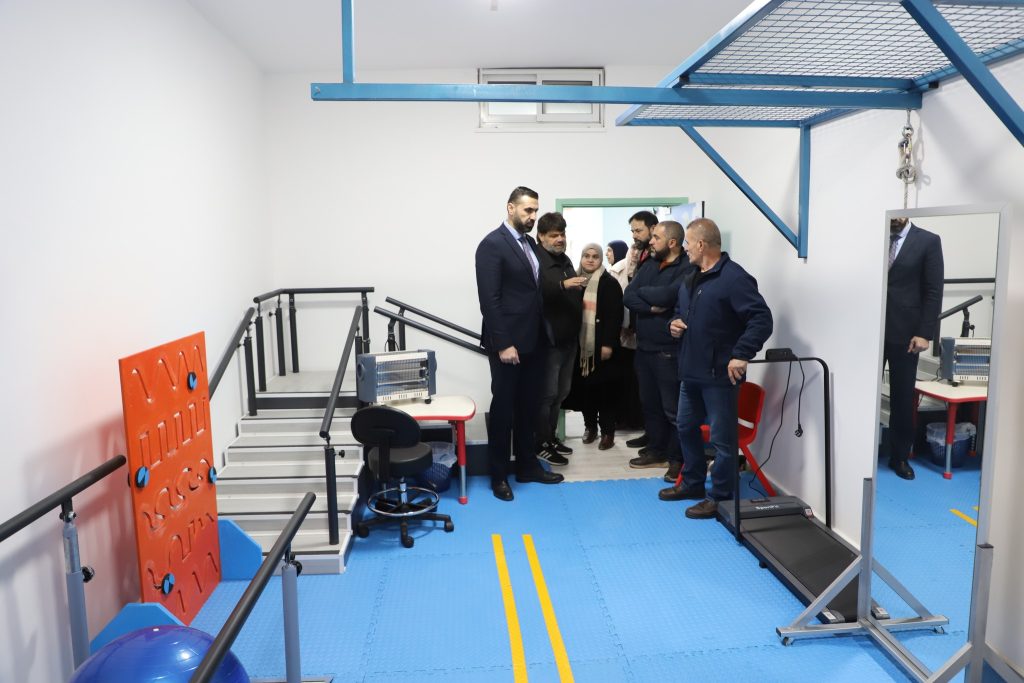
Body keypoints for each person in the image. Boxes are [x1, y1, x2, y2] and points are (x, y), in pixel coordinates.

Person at [667, 218, 773, 518]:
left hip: (720, 376)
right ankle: (692, 483)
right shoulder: (691, 277)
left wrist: (742, 354)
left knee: (722, 441)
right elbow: (680, 311)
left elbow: (761, 319)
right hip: (691, 371)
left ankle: (720, 497)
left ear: (701, 244)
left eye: (688, 243)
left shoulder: (734, 278)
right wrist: (673, 323)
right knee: (685, 427)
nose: (685, 248)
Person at [475, 186, 565, 501]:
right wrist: (503, 343)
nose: (532, 216)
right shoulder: (492, 245)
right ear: (510, 208)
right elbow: (490, 299)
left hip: (534, 340)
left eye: (535, 210)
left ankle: (527, 466)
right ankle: (498, 475)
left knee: (529, 406)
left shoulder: (529, 245)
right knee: (504, 409)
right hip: (508, 343)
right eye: (528, 210)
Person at [622, 220, 695, 484]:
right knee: (650, 404)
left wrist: (646, 295)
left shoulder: (688, 267)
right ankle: (657, 450)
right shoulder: (651, 264)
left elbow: (668, 296)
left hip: (669, 351)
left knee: (672, 410)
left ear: (672, 243)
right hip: (644, 349)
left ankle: (677, 460)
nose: (651, 242)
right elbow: (628, 295)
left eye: (656, 238)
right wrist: (650, 304)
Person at [884, 217, 944, 480]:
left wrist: (925, 333)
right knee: (862, 392)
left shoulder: (928, 241)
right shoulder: (874, 236)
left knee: (902, 397)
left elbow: (933, 290)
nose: (895, 219)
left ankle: (899, 457)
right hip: (870, 330)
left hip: (907, 333)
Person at [534, 211, 587, 466]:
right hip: (549, 342)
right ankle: (540, 443)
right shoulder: (535, 260)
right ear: (541, 236)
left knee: (560, 394)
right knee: (546, 395)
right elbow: (535, 293)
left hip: (569, 340)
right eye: (554, 235)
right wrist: (563, 286)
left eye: (562, 234)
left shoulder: (564, 259)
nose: (560, 239)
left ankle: (551, 437)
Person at [571, 243, 624, 449]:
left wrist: (608, 344)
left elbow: (615, 317)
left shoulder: (609, 283)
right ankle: (590, 427)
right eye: (586, 256)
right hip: (581, 347)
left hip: (601, 346)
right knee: (586, 391)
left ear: (601, 260)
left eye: (595, 256)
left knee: (605, 391)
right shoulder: (575, 281)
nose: (590, 260)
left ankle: (608, 432)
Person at [622, 211, 659, 448]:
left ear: (653, 228)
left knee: (662, 397)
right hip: (641, 333)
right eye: (632, 231)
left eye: (638, 230)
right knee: (647, 395)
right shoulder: (640, 254)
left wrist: (643, 297)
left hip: (660, 337)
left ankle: (661, 444)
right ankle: (651, 434)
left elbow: (659, 293)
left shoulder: (660, 258)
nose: (634, 235)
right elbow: (630, 294)